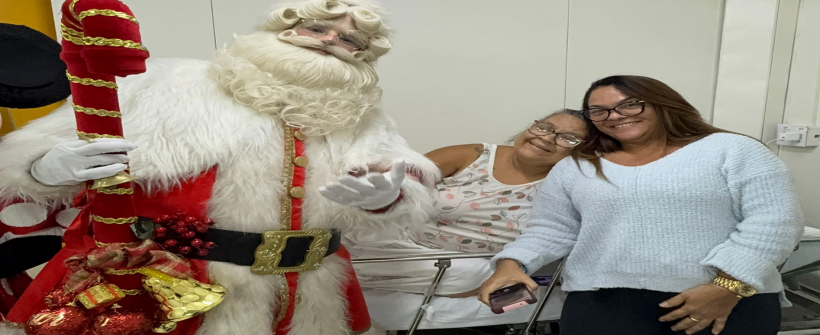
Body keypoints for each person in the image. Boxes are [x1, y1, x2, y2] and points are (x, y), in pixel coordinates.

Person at [0, 1, 440, 334]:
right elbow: (35, 152)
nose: (330, 42)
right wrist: (44, 167)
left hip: (310, 289)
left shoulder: (363, 115)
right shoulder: (171, 82)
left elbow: (402, 176)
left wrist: (389, 197)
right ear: (284, 30)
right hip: (178, 283)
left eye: (350, 41)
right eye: (318, 28)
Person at [477, 75, 804, 335]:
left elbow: (775, 221)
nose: (614, 116)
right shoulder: (578, 165)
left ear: (663, 103)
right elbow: (552, 228)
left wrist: (728, 287)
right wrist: (512, 264)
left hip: (724, 300)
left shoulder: (731, 149)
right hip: (603, 302)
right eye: (599, 111)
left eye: (629, 105)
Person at [346, 109, 588, 297]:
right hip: (391, 240)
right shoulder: (473, 154)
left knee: (472, 274)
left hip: (457, 265)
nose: (547, 138)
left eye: (568, 139)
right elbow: (402, 180)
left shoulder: (568, 186)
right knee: (338, 244)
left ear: (581, 152)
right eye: (544, 127)